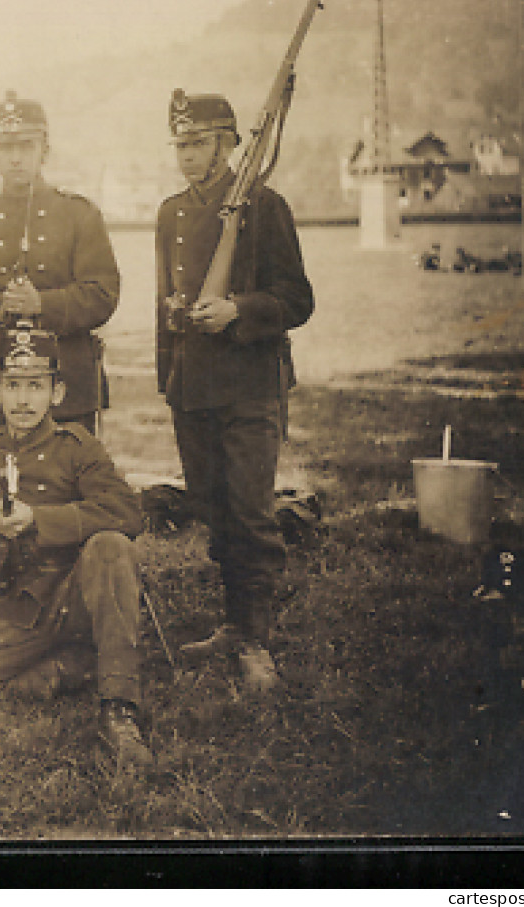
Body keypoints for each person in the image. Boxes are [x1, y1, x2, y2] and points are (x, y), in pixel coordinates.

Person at [0, 326, 152, 767]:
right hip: (19, 607)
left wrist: (40, 521)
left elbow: (127, 512)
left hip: (76, 594)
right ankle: (65, 669)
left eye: (35, 386)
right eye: (13, 386)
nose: (23, 400)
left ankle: (119, 708)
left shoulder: (77, 447)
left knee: (111, 546)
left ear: (56, 392)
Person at [157, 89, 314, 692]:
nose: (187, 155)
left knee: (250, 512)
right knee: (213, 508)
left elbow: (297, 298)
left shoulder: (265, 207)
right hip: (192, 386)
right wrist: (169, 370)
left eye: (197, 143)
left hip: (249, 386)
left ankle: (256, 638)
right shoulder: (171, 213)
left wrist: (238, 311)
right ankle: (233, 622)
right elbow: (161, 305)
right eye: (181, 145)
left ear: (227, 143)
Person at [0, 90, 120, 432]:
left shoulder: (78, 214)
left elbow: (103, 295)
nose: (16, 158)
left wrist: (42, 303)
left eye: (26, 146)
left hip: (68, 388)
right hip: (2, 389)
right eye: (7, 148)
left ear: (45, 150)